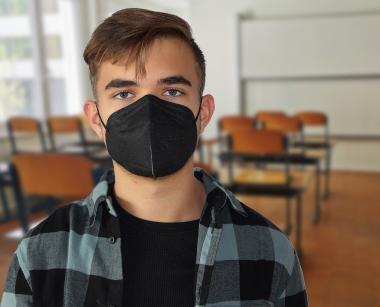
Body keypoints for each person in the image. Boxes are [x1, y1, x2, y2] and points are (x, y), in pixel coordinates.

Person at [1, 8, 307, 307]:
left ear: (204, 113)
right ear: (96, 120)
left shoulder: (270, 250)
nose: (148, 110)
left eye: (172, 91)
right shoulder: (40, 253)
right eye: (124, 94)